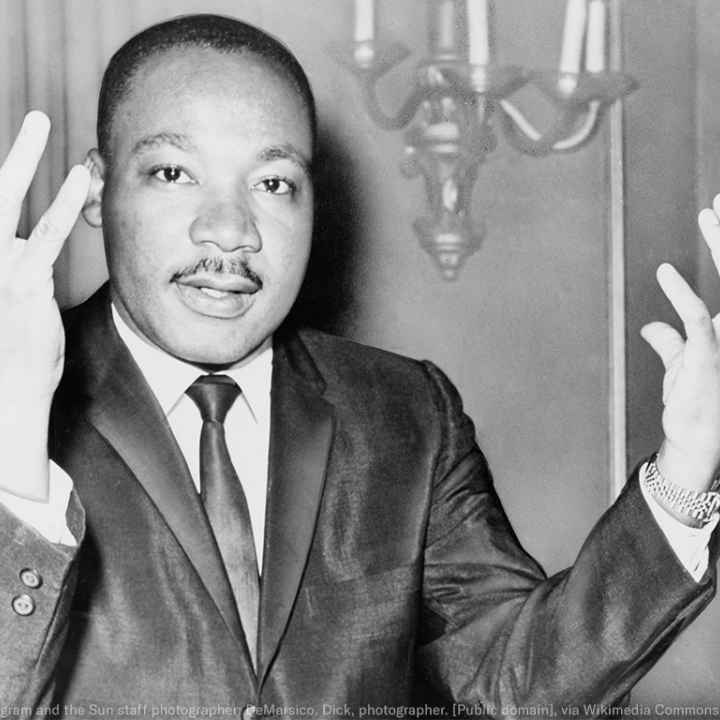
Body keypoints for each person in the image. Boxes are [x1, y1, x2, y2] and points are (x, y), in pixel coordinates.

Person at [0, 13, 718, 717]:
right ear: (98, 188)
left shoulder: (406, 412)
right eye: (173, 172)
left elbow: (517, 690)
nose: (230, 231)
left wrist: (688, 466)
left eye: (273, 183)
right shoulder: (18, 405)